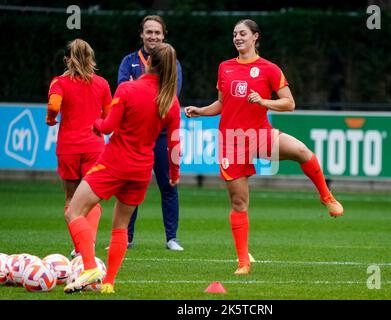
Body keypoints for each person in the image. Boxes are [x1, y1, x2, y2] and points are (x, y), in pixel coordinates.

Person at [185, 19, 344, 275]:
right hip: (231, 142)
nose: (237, 38)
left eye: (243, 34)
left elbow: (289, 104)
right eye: (235, 34)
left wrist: (263, 101)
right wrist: (201, 111)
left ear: (255, 37)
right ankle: (243, 262)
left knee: (303, 151)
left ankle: (326, 196)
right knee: (239, 202)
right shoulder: (224, 67)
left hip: (259, 135)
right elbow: (222, 104)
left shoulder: (269, 69)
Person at [63, 43, 181, 294]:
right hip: (141, 171)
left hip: (114, 163)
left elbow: (107, 127)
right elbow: (174, 144)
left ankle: (89, 266)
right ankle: (108, 284)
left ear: (148, 62)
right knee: (121, 226)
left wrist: (95, 123)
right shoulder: (170, 101)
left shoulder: (128, 88)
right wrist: (174, 174)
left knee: (74, 212)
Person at [116, 15, 183, 251]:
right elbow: (122, 92)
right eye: (149, 32)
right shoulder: (128, 61)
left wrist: (140, 90)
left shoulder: (173, 63)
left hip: (162, 136)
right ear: (141, 34)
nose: (153, 36)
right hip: (136, 136)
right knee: (129, 186)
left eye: (157, 32)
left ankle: (172, 238)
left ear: (164, 35)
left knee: (169, 185)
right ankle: (127, 237)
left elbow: (170, 97)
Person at [46, 39, 112, 258]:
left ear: (67, 59)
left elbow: (54, 105)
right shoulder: (102, 83)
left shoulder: (59, 83)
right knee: (92, 199)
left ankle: (79, 246)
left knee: (71, 200)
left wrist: (50, 118)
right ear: (90, 58)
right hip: (94, 146)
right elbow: (109, 114)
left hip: (69, 147)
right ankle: (89, 244)